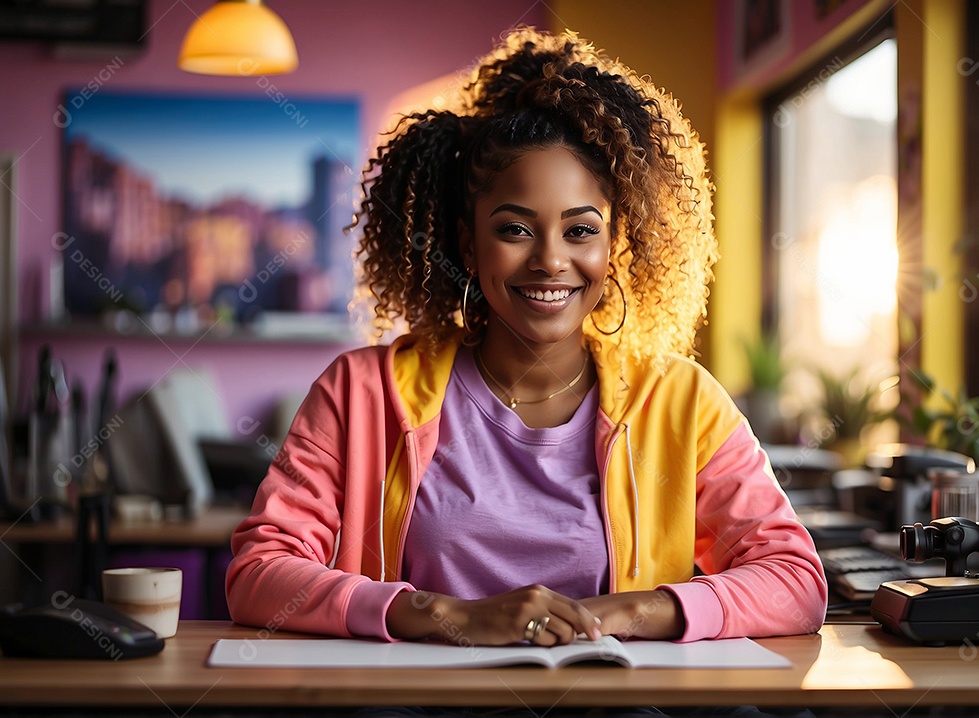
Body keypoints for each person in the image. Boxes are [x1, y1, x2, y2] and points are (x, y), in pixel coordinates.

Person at [226, 27, 826, 647]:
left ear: (615, 244)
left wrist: (623, 613)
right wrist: (449, 616)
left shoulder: (681, 402)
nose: (550, 260)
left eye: (580, 230)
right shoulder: (361, 392)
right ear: (468, 240)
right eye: (514, 229)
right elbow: (258, 575)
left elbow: (796, 582)